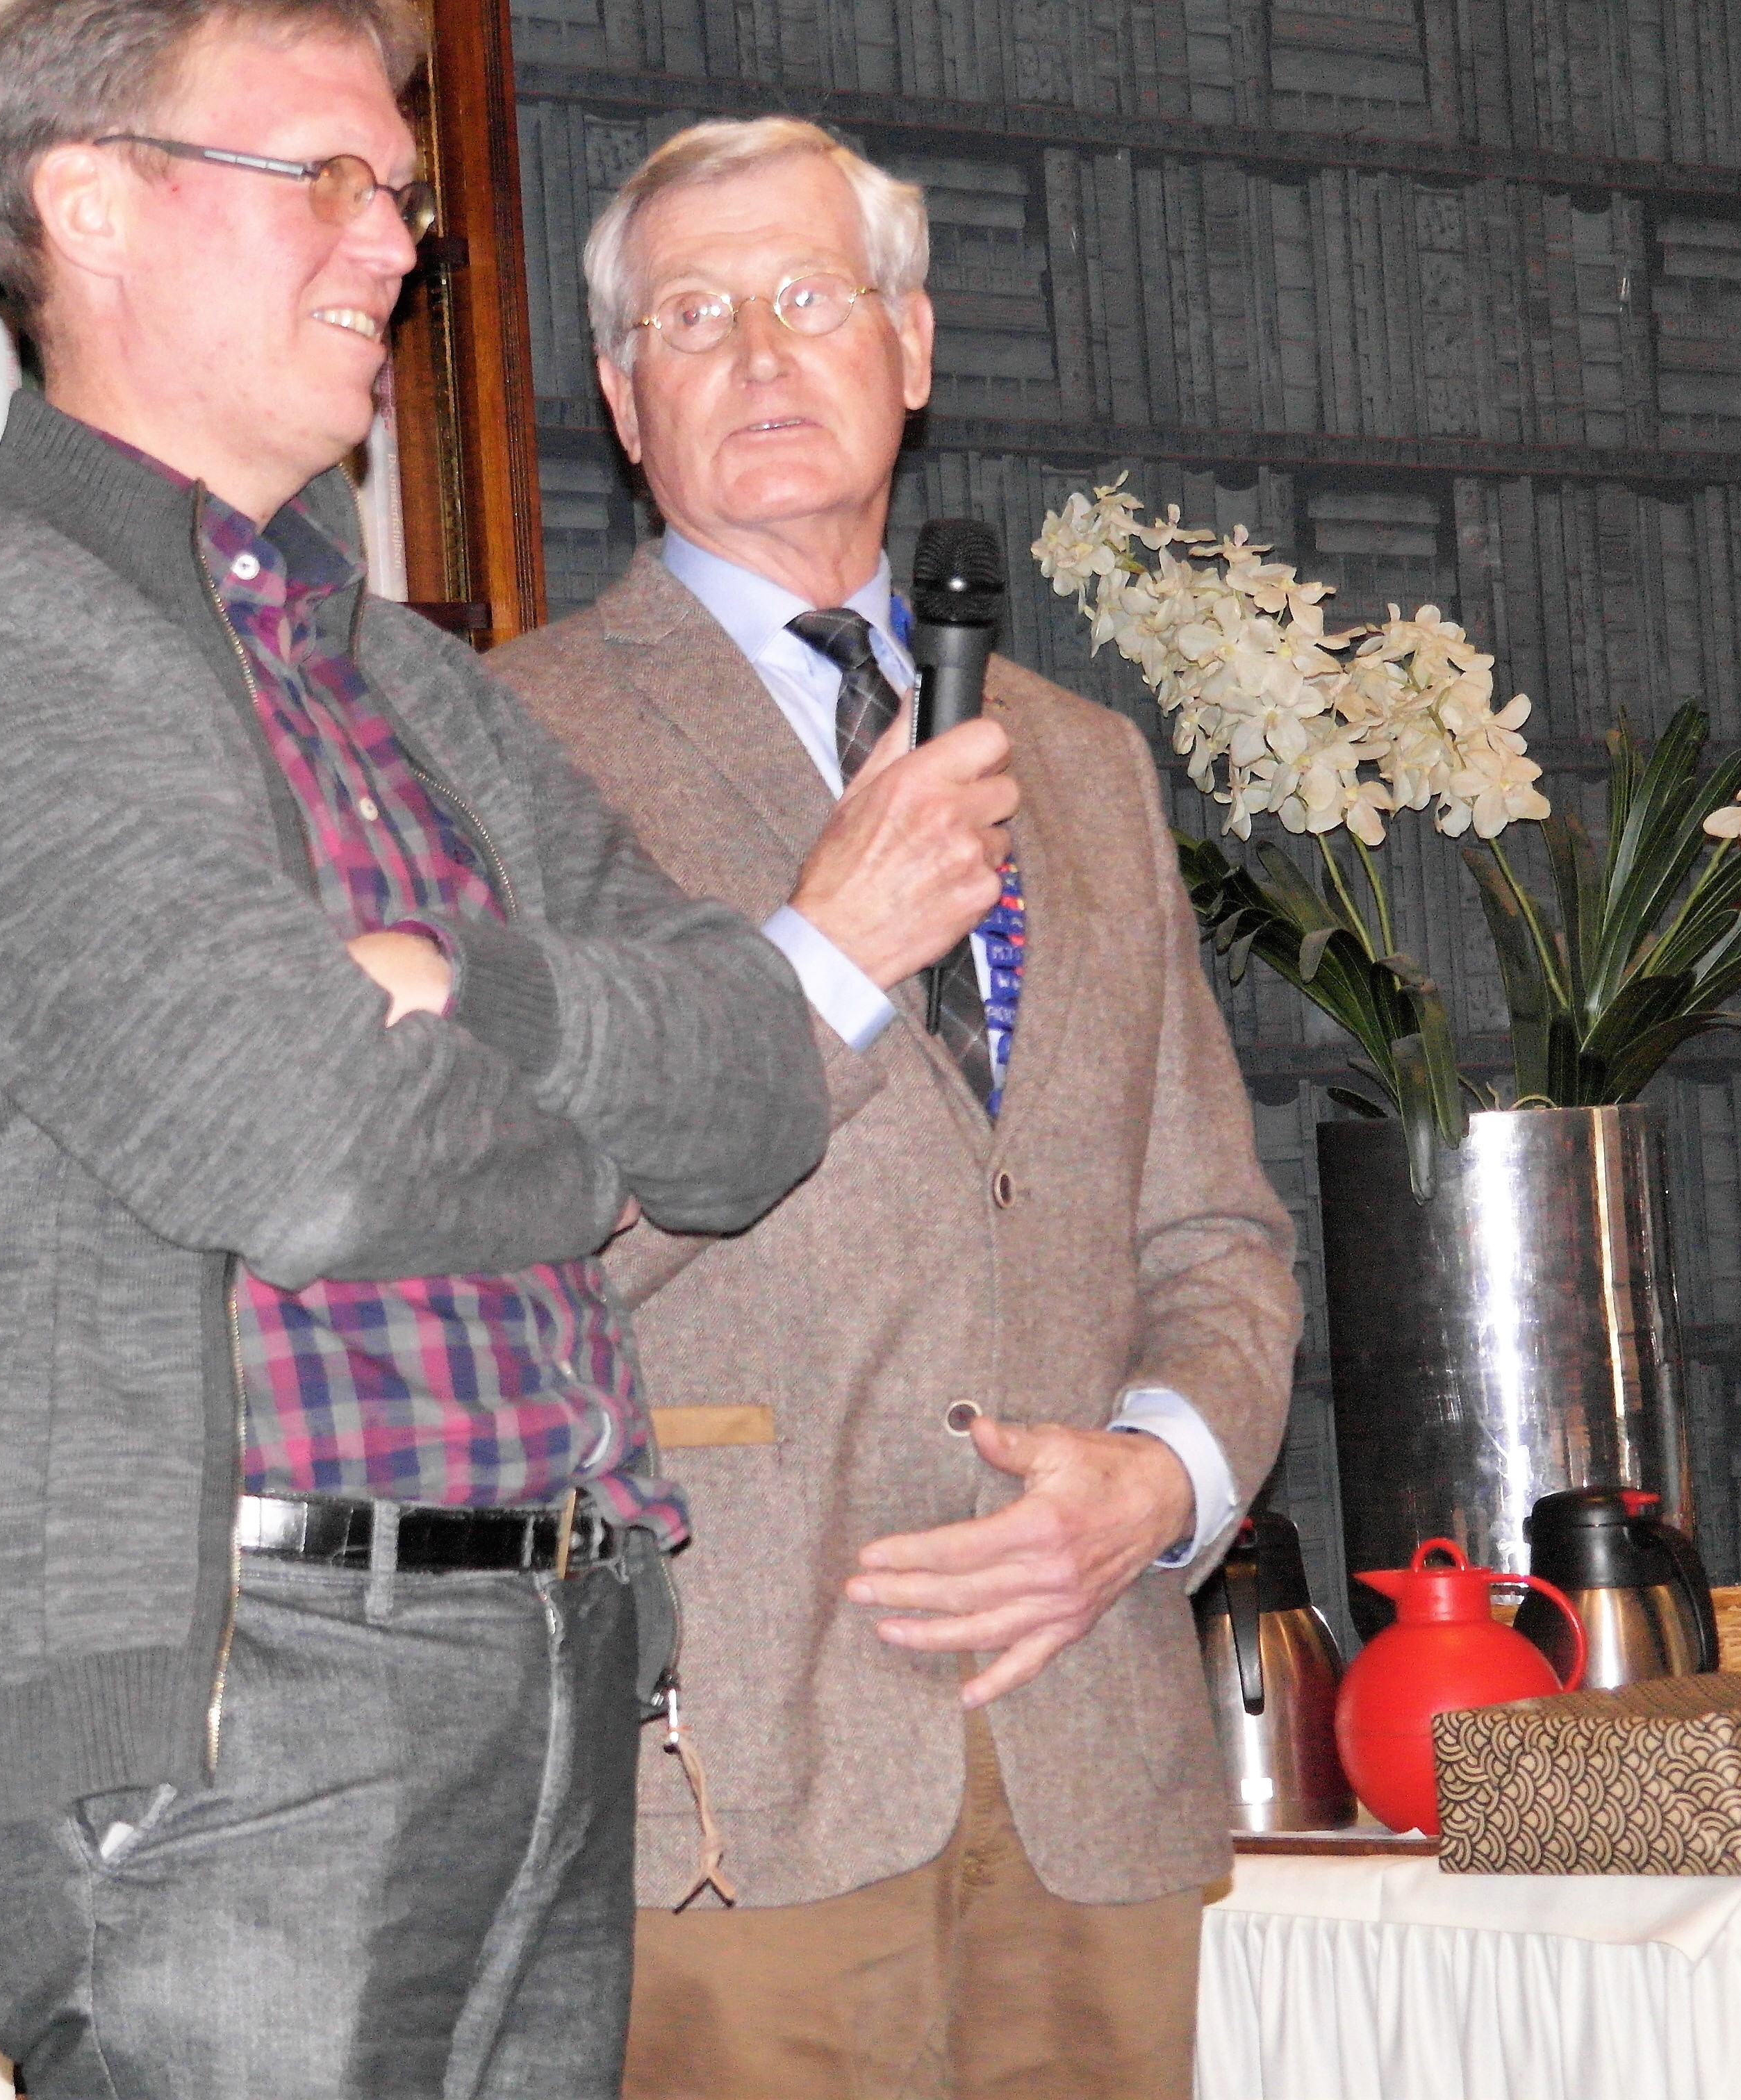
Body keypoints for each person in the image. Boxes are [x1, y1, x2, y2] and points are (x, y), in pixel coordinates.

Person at [0, 0, 830, 2100]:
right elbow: (312, 1149)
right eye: (329, 181)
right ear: (90, 202)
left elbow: (759, 1084)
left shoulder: (411, 684)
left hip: (553, 1647)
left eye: (405, 195)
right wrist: (589, 1137)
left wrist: (472, 988)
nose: (396, 244)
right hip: (243, 1706)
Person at [490, 117, 1302, 2100]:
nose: (761, 353)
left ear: (912, 346)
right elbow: (496, 1229)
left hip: (1090, 1752)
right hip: (733, 1759)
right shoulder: (502, 741)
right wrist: (827, 962)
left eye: (809, 297)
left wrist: (1161, 1485)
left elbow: (1214, 1238)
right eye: (694, 316)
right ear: (622, 398)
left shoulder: (1081, 762)